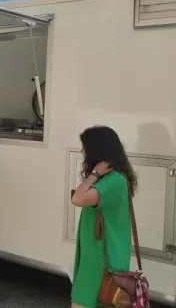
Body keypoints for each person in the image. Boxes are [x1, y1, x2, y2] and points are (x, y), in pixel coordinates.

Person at [70, 126, 137, 308]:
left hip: (101, 261)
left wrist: (95, 173)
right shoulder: (114, 179)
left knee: (83, 302)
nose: (82, 151)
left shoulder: (112, 181)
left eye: (85, 146)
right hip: (99, 256)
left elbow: (77, 198)